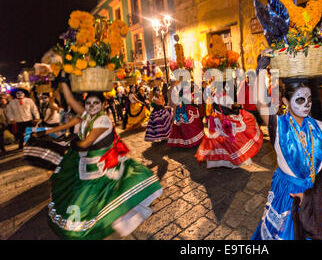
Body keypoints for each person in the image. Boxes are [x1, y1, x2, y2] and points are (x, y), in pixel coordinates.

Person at [38, 78, 163, 239]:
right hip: (86, 166)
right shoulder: (86, 115)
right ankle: (111, 225)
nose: (91, 106)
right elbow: (69, 101)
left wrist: (71, 143)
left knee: (98, 199)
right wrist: (63, 81)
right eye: (88, 103)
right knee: (93, 200)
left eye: (96, 103)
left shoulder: (102, 120)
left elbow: (86, 142)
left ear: (103, 105)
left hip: (99, 167)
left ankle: (111, 224)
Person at [251, 77, 322, 240]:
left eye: (309, 99)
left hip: (317, 192)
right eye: (300, 99)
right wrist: (260, 72)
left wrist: (311, 196)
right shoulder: (278, 126)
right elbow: (260, 102)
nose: (306, 104)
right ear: (285, 101)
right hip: (288, 195)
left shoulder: (320, 128)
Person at [195, 79, 263, 169]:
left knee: (219, 140)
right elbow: (226, 109)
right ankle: (231, 161)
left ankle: (220, 161)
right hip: (224, 120)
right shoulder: (223, 95)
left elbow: (216, 107)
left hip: (216, 119)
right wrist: (237, 110)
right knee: (231, 140)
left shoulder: (214, 94)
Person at [167, 79, 204, 148]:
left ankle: (182, 141)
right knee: (190, 125)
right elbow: (189, 100)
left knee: (181, 125)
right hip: (187, 108)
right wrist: (195, 100)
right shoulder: (186, 91)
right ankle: (191, 141)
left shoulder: (180, 91)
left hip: (181, 108)